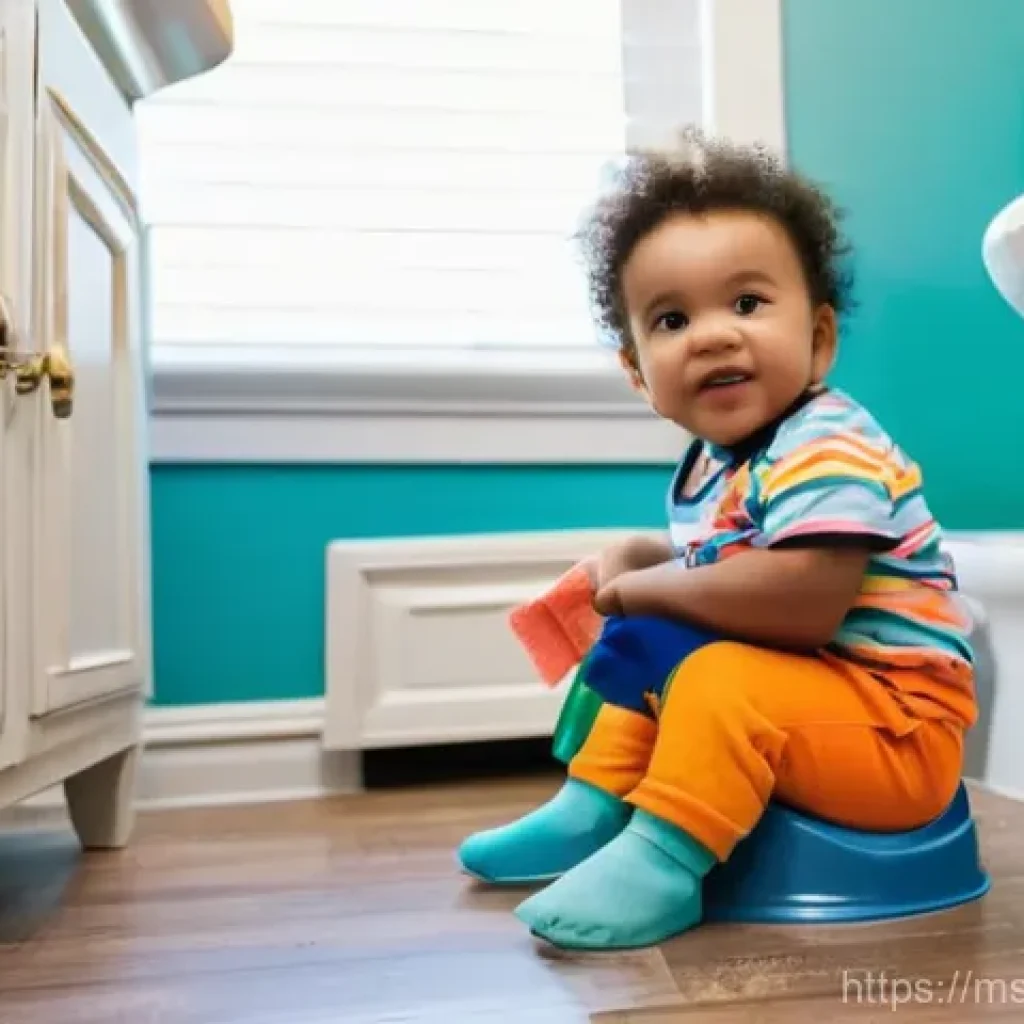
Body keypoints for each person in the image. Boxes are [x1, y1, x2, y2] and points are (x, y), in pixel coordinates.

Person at [457, 129, 977, 951]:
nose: (711, 335)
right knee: (659, 635)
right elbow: (734, 573)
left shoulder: (827, 444)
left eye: (746, 304)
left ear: (819, 338)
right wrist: (650, 566)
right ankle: (595, 803)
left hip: (896, 732)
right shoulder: (715, 466)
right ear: (638, 372)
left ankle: (666, 862)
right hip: (819, 703)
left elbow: (803, 603)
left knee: (716, 675)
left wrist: (650, 589)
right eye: (671, 319)